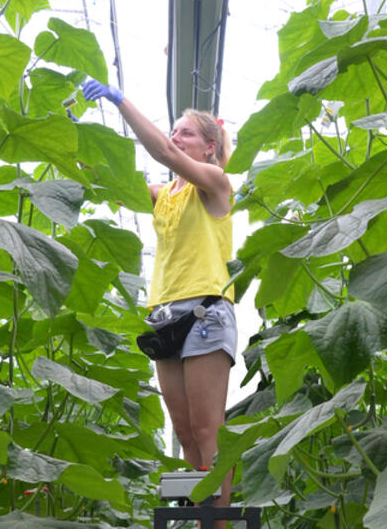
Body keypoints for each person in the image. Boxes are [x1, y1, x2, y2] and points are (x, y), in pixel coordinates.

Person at [82, 79, 237, 525]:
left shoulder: (214, 184)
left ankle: (218, 523)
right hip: (165, 316)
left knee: (209, 430)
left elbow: (165, 156)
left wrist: (120, 101)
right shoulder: (164, 195)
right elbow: (110, 179)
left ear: (209, 148)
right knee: (186, 431)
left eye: (185, 132)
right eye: (173, 129)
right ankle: (200, 515)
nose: (175, 138)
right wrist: (75, 134)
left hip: (206, 311)